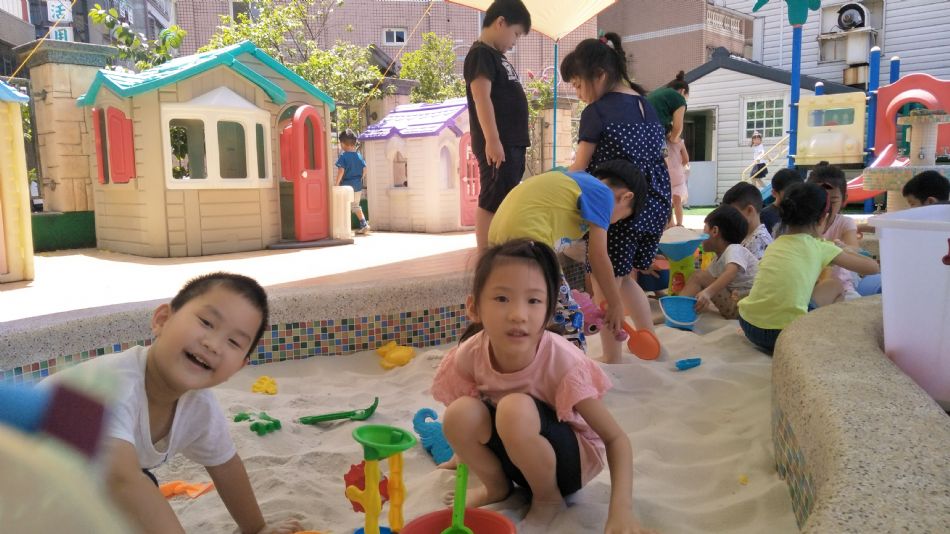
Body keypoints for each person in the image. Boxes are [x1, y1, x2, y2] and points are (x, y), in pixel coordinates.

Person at [45, 273, 301, 534]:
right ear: (162, 320)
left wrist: (257, 528)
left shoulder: (199, 406)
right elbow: (122, 481)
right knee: (133, 493)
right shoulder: (113, 385)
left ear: (239, 367)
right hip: (29, 485)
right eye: (206, 322)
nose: (213, 345)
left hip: (79, 488)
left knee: (139, 493)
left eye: (234, 342)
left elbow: (226, 467)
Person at [431, 239, 654, 534]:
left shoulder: (560, 360)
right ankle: (496, 487)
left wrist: (621, 512)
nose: (518, 314)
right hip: (517, 455)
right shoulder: (471, 352)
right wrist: (463, 452)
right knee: (458, 413)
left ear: (549, 311)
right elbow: (470, 416)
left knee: (514, 408)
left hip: (568, 466)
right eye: (502, 298)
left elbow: (616, 439)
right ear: (475, 308)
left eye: (534, 301)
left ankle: (548, 500)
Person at [560, 32, 670, 363]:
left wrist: (558, 182)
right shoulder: (646, 104)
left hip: (618, 206)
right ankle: (653, 344)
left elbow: (580, 167)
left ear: (599, 75)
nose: (579, 94)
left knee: (606, 283)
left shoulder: (597, 111)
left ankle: (612, 358)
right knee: (624, 280)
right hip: (653, 203)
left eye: (578, 85)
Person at [488, 161, 651, 354]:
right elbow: (598, 255)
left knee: (527, 308)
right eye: (622, 217)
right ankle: (574, 367)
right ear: (626, 197)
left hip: (498, 240)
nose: (613, 222)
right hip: (530, 241)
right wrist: (615, 303)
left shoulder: (574, 179)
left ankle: (518, 358)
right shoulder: (604, 194)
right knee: (569, 317)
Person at [737, 184, 880, 353]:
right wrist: (845, 249)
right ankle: (829, 333)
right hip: (784, 333)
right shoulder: (820, 247)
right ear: (822, 219)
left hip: (749, 325)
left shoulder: (775, 244)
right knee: (834, 285)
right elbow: (873, 268)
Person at [464, 0, 532, 253]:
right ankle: (485, 256)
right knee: (491, 200)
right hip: (499, 145)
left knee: (505, 198)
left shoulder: (496, 57)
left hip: (511, 144)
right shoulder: (481, 55)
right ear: (500, 22)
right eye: (515, 34)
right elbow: (481, 97)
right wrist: (493, 140)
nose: (514, 42)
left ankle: (501, 250)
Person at [679, 205, 757, 319]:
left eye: (704, 229)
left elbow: (731, 272)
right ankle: (682, 308)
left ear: (715, 231)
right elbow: (705, 281)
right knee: (698, 275)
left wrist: (707, 293)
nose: (701, 235)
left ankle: (677, 310)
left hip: (744, 305)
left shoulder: (734, 249)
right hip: (736, 302)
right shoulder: (716, 260)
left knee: (698, 276)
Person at [807, 164, 861, 300]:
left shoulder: (844, 222)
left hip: (841, 284)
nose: (827, 208)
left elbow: (854, 247)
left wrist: (843, 248)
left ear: (844, 199)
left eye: (833, 201)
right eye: (821, 202)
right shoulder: (805, 224)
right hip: (810, 285)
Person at [722, 181, 773, 260]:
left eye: (733, 214)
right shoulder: (747, 236)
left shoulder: (759, 242)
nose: (728, 219)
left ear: (749, 211)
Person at [335, 129, 370, 235]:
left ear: (342, 144)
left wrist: (337, 184)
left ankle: (344, 228)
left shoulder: (343, 156)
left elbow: (341, 171)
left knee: (344, 206)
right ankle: (364, 224)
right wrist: (360, 178)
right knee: (355, 206)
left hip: (347, 186)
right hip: (357, 185)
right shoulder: (358, 155)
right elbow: (365, 169)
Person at [645, 71, 689, 144]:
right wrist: (674, 140)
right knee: (669, 149)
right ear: (683, 91)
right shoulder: (679, 98)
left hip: (638, 129)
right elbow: (678, 128)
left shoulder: (658, 93)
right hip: (653, 131)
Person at [761, 168, 802, 236]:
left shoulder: (802, 212)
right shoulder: (765, 216)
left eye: (798, 192)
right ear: (774, 193)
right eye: (789, 193)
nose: (794, 196)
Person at [667, 137, 690, 227]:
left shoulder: (662, 142)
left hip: (668, 176)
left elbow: (663, 157)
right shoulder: (679, 142)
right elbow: (686, 159)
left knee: (669, 201)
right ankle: (678, 223)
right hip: (677, 176)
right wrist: (678, 166)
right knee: (677, 201)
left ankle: (671, 224)